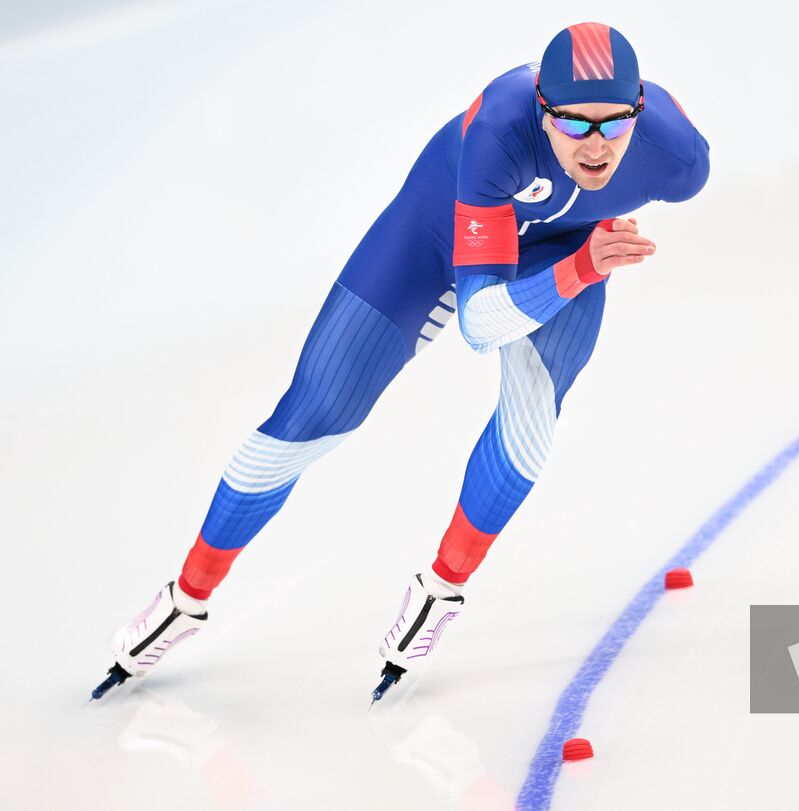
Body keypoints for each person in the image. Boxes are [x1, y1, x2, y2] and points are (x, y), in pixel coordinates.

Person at [93, 21, 710, 702]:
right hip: (437, 228)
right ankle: (187, 596)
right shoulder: (502, 129)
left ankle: (442, 589)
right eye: (573, 124)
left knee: (531, 426)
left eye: (614, 125)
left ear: (640, 111)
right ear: (542, 108)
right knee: (313, 413)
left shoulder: (678, 160)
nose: (596, 148)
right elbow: (480, 324)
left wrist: (574, 264)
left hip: (559, 251)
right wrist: (580, 270)